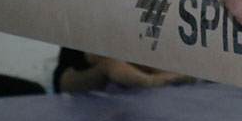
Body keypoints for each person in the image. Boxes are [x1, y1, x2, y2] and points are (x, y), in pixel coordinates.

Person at [52, 47, 193, 93]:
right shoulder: (87, 33)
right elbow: (99, 59)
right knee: (109, 63)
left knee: (141, 60)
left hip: (103, 69)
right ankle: (152, 82)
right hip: (68, 78)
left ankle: (178, 74)